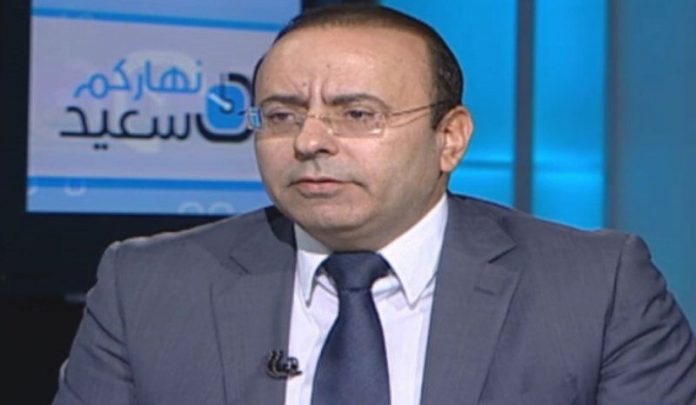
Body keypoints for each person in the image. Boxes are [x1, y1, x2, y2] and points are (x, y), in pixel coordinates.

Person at [53, 5, 696, 405]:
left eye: (357, 114)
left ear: (450, 139)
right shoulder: (147, 285)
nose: (308, 142)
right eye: (281, 115)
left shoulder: (597, 287)